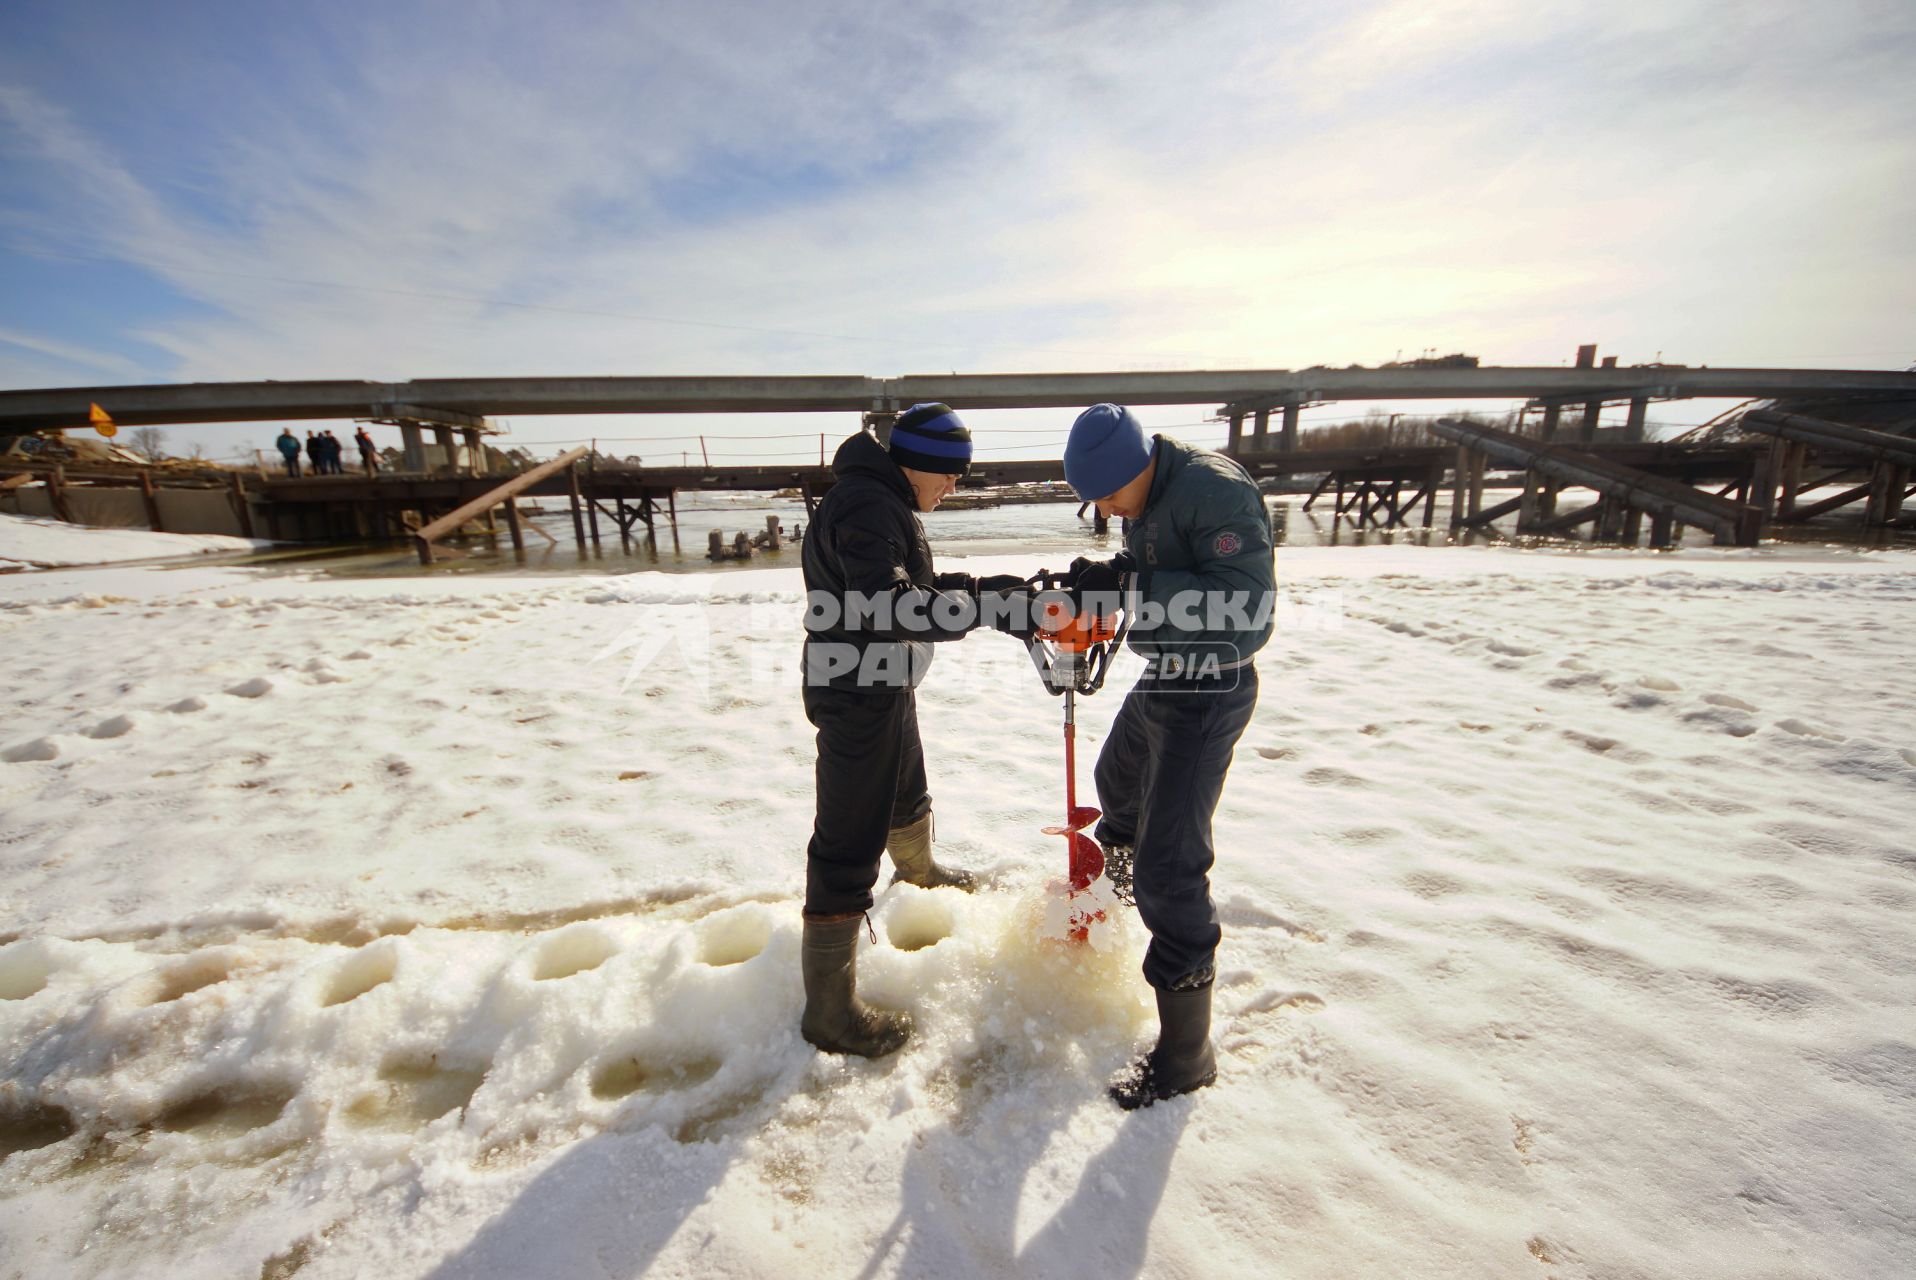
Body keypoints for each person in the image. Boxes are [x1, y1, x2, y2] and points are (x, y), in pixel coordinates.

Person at [798, 402, 1031, 1058]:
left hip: (881, 678)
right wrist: (985, 610)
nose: (955, 486)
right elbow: (890, 607)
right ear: (919, 464)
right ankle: (830, 1013)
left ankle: (920, 873)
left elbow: (914, 588)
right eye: (951, 474)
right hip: (855, 687)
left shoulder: (881, 500)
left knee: (904, 787)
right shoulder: (869, 506)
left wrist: (990, 589)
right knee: (847, 837)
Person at [1061, 403, 1275, 1110]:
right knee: (1115, 780)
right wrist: (1111, 570)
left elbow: (1245, 606)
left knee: (1172, 866)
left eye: (1107, 498)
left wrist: (1131, 589)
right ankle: (1122, 891)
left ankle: (1188, 1056)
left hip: (1212, 684)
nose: (1104, 508)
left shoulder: (1216, 490)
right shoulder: (1144, 492)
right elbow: (1156, 563)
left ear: (1137, 467)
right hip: (1169, 672)